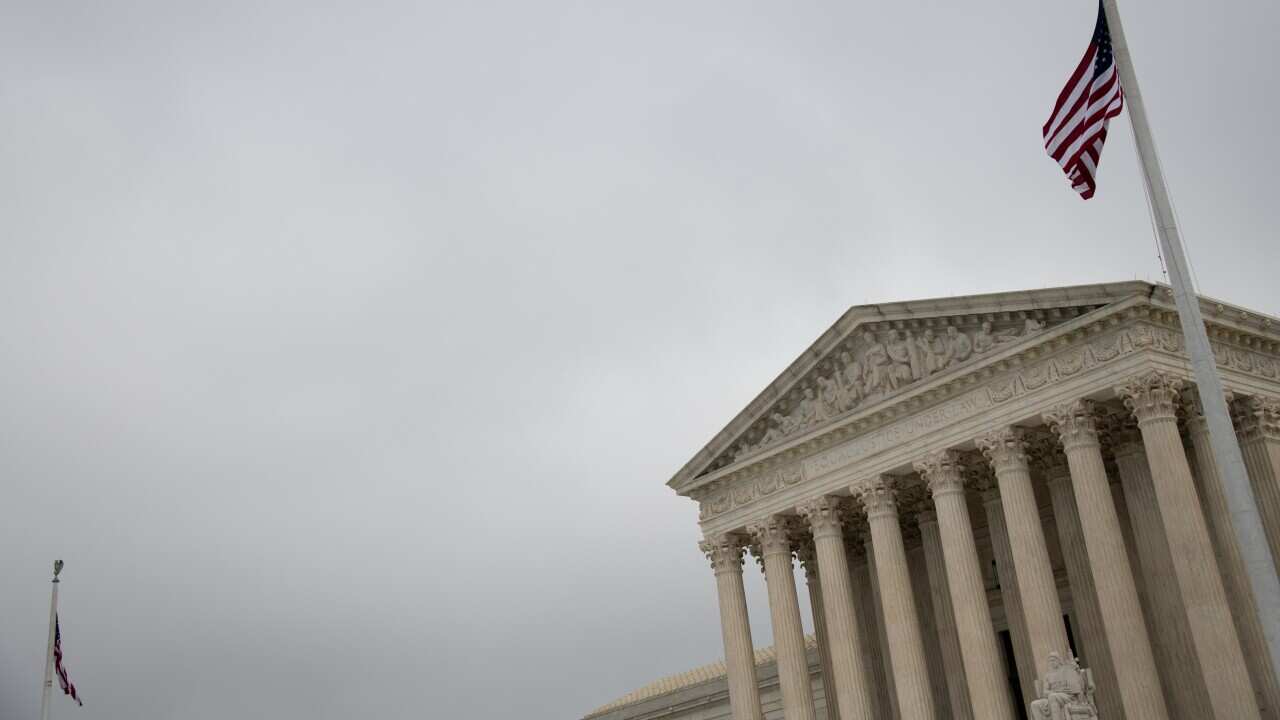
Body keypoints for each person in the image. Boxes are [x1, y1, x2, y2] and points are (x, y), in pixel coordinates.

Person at [1029, 652, 1095, 720]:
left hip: (1068, 696)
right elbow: (1045, 692)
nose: (1052, 662)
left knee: (1053, 697)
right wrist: (1056, 691)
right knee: (1034, 704)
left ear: (1058, 660)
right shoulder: (1047, 676)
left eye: (1053, 660)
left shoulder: (1066, 670)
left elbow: (1076, 687)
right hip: (1053, 696)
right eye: (1050, 661)